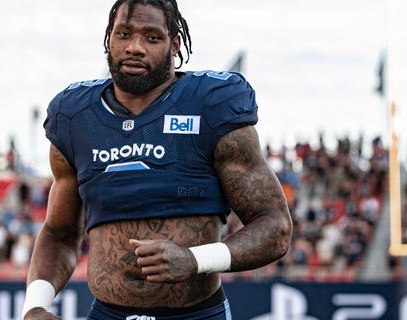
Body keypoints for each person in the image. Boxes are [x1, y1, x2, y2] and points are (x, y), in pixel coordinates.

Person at [22, 0, 293, 319]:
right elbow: (59, 232)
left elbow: (275, 227)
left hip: (196, 314)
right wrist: (35, 306)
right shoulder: (76, 116)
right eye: (124, 34)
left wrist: (195, 260)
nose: (134, 47)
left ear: (174, 44)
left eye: (151, 37)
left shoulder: (211, 105)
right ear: (109, 38)